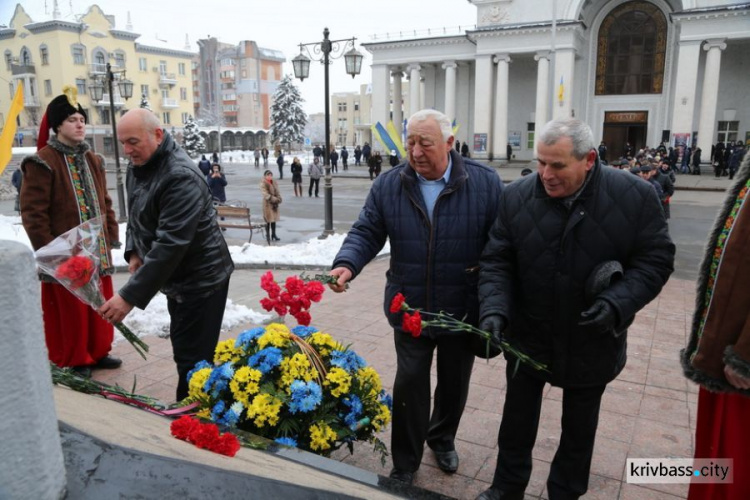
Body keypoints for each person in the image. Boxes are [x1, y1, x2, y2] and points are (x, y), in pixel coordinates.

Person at [477, 118, 674, 500]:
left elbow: (655, 261)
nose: (545, 175)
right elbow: (497, 260)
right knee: (516, 419)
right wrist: (495, 310)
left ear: (588, 160)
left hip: (593, 335)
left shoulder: (635, 195)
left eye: (557, 165)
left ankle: (565, 492)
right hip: (528, 334)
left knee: (579, 428)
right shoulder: (516, 196)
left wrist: (617, 304)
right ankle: (506, 487)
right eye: (541, 163)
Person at [328, 109, 503, 486]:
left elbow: (500, 247)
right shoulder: (390, 184)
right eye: (410, 142)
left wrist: (495, 303)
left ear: (450, 143)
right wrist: (347, 263)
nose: (416, 151)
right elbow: (366, 231)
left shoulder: (485, 183)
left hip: (461, 307)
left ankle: (442, 439)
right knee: (410, 381)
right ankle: (405, 461)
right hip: (410, 306)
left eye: (426, 143)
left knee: (454, 382)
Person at [98, 109, 234, 401]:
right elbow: (136, 216)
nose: (127, 150)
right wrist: (134, 250)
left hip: (202, 279)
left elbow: (171, 243)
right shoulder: (142, 164)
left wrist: (129, 296)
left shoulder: (180, 176)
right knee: (185, 350)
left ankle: (194, 416)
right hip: (179, 278)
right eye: (122, 142)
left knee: (193, 360)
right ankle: (195, 409)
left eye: (133, 141)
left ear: (157, 135)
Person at [21, 91, 121, 377]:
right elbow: (33, 214)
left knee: (100, 302)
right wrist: (52, 253)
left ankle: (99, 350)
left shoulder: (93, 159)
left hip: (96, 249)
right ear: (57, 126)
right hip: (64, 254)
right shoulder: (42, 161)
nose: (79, 125)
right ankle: (74, 356)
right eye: (71, 120)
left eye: (81, 120)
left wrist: (110, 234)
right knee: (72, 309)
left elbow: (105, 201)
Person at [681, 146, 750, 500]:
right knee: (717, 456)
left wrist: (745, 354)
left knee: (736, 461)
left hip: (738, 361)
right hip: (723, 349)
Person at [260, 170, 282, 244]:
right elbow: (265, 193)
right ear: (265, 176)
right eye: (268, 175)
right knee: (268, 220)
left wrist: (279, 198)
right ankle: (268, 235)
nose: (270, 176)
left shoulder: (274, 182)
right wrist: (273, 198)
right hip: (267, 204)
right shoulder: (263, 183)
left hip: (274, 204)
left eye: (270, 175)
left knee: (273, 220)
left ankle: (274, 234)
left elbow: (277, 191)